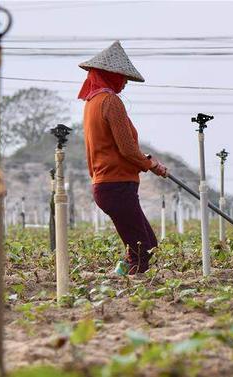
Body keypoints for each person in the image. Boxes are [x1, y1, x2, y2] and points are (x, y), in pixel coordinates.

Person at [78, 41, 168, 275]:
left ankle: (123, 275)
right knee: (144, 248)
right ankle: (131, 287)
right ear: (110, 74)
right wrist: (152, 165)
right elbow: (127, 148)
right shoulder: (110, 101)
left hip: (107, 185)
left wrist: (145, 161)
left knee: (143, 244)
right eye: (123, 77)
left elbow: (117, 148)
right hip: (116, 185)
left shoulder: (91, 102)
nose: (125, 82)